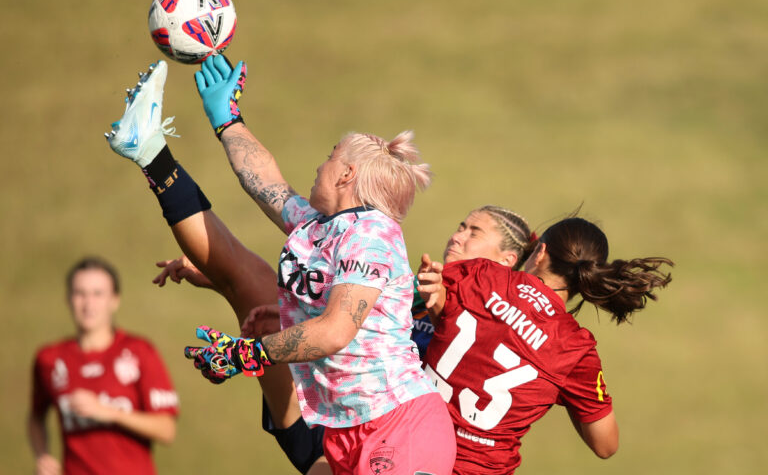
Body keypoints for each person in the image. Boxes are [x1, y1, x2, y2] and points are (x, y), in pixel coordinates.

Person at [104, 56, 456, 474]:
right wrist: (228, 120)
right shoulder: (320, 226)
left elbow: (335, 331)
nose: (319, 164)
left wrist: (244, 355)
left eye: (330, 157)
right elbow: (265, 182)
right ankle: (148, 149)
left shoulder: (372, 235)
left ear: (347, 174)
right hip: (347, 430)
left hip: (400, 424)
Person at [154, 203, 536, 472]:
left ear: (506, 260)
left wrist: (440, 305)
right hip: (335, 428)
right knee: (253, 295)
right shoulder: (412, 287)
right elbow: (330, 308)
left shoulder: (497, 329)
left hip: (394, 448)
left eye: (474, 232)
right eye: (460, 226)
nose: (457, 236)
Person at [417, 216, 674, 474]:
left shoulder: (482, 274)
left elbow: (438, 312)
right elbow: (605, 445)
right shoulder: (574, 350)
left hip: (409, 449)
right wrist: (565, 388)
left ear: (540, 252)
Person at [28, 257, 179, 475]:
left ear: (114, 300)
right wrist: (42, 456)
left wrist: (109, 412)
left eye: (98, 294)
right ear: (69, 298)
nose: (89, 304)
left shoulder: (139, 352)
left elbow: (167, 430)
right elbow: (35, 417)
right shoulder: (49, 359)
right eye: (80, 293)